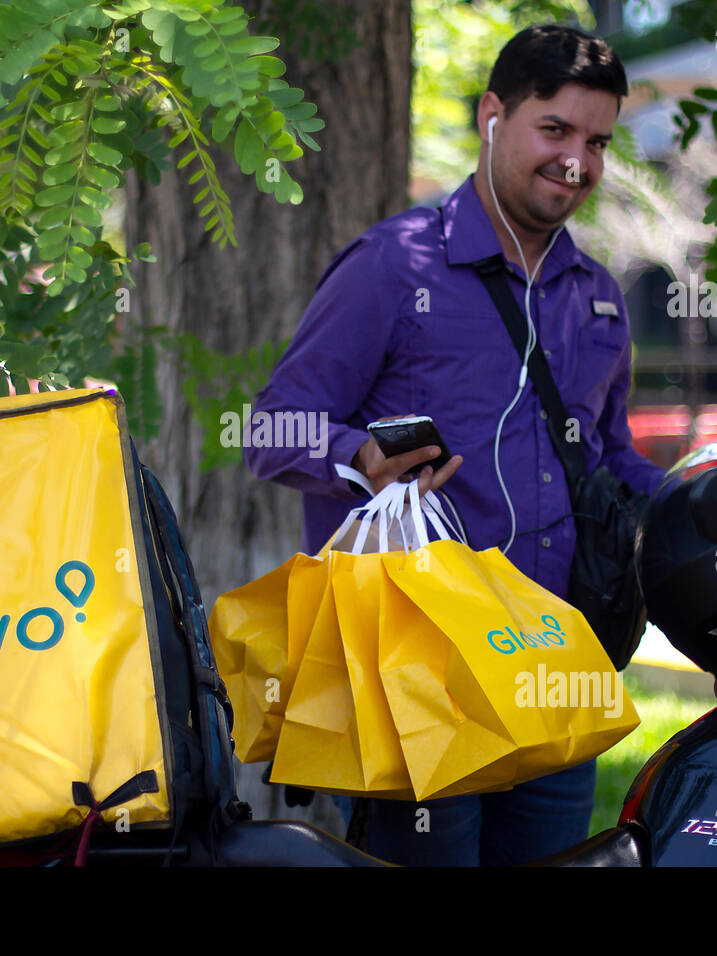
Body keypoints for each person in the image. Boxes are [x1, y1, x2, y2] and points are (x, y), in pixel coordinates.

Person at [242, 23, 667, 865]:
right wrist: (359, 453)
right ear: (492, 116)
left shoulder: (598, 297)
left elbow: (610, 458)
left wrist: (707, 497)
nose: (577, 162)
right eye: (555, 131)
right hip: (420, 677)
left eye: (597, 142)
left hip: (557, 667)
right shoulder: (393, 267)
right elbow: (269, 429)